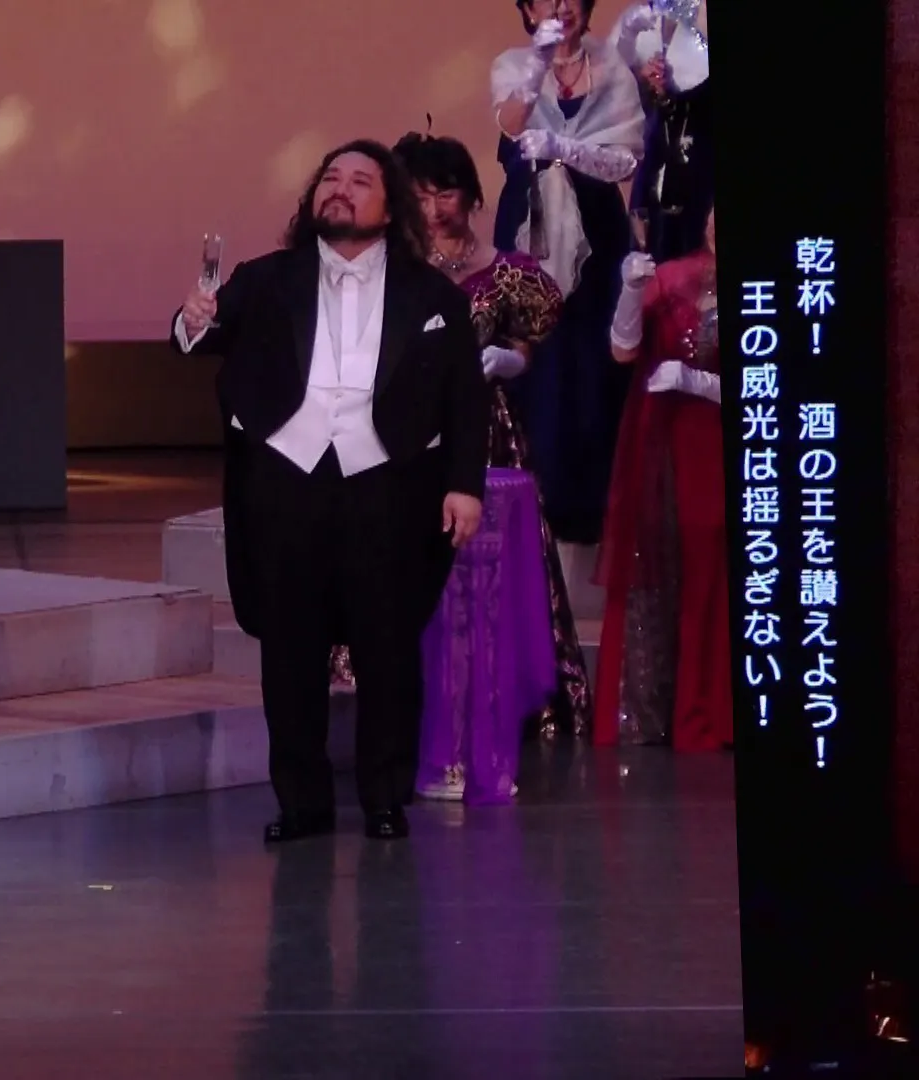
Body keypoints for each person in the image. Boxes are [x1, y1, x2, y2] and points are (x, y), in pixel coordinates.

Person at [174, 140, 490, 842]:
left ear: (391, 206)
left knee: (388, 648)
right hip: (287, 481)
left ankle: (385, 798)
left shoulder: (432, 295)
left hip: (387, 484)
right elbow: (202, 331)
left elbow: (464, 398)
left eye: (359, 180)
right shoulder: (267, 278)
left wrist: (463, 485)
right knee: (290, 651)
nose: (340, 189)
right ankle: (302, 803)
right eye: (331, 178)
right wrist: (191, 322)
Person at [391, 133, 589, 801]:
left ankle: (495, 702)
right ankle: (420, 708)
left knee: (487, 576)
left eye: (444, 193)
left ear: (472, 197)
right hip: (409, 433)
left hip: (487, 434)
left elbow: (529, 343)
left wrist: (510, 359)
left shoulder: (508, 273)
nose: (432, 208)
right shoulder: (394, 269)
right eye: (419, 194)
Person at [490, 0, 644, 546]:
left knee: (594, 358)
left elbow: (626, 160)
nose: (562, 6)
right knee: (538, 354)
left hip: (598, 227)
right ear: (528, 9)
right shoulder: (511, 63)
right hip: (531, 220)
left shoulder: (613, 65)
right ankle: (535, 502)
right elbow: (510, 126)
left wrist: (566, 149)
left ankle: (595, 509)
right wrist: (539, 61)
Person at [593, 206, 728, 751]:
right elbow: (623, 348)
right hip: (667, 447)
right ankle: (655, 711)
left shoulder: (772, 290)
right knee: (665, 568)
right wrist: (630, 292)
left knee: (715, 575)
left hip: (730, 447)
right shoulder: (673, 277)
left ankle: (712, 709)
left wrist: (701, 383)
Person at [611, 2, 712, 261]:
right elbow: (608, 88)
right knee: (650, 260)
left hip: (703, 157)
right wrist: (639, 78)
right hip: (655, 161)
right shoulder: (634, 19)